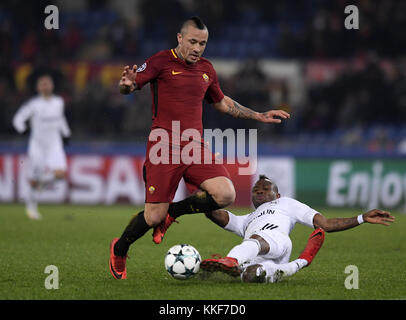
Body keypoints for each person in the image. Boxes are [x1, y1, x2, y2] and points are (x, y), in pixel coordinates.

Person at [109, 16, 290, 279]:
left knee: (225, 194)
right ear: (180, 38)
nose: (197, 48)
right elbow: (132, 83)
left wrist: (258, 115)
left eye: (202, 44)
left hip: (195, 146)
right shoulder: (161, 61)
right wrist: (125, 85)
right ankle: (120, 247)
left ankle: (172, 213)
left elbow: (222, 102)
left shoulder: (207, 69)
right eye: (192, 42)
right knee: (151, 217)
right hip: (164, 147)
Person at [200, 175, 395, 283]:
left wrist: (361, 218)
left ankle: (232, 260)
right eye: (256, 189)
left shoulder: (286, 203)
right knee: (251, 276)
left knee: (256, 240)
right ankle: (299, 263)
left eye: (265, 188)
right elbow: (216, 215)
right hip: (263, 253)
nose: (259, 190)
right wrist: (205, 197)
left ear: (277, 195)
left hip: (277, 241)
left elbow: (326, 224)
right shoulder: (248, 219)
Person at [12, 74, 71, 220]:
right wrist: (23, 129)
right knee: (33, 180)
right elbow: (17, 119)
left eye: (48, 83)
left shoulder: (58, 102)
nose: (46, 86)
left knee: (61, 174)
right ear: (38, 88)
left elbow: (60, 119)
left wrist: (66, 133)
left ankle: (40, 182)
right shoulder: (33, 105)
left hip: (54, 144)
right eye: (42, 84)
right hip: (37, 146)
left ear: (52, 86)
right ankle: (31, 207)